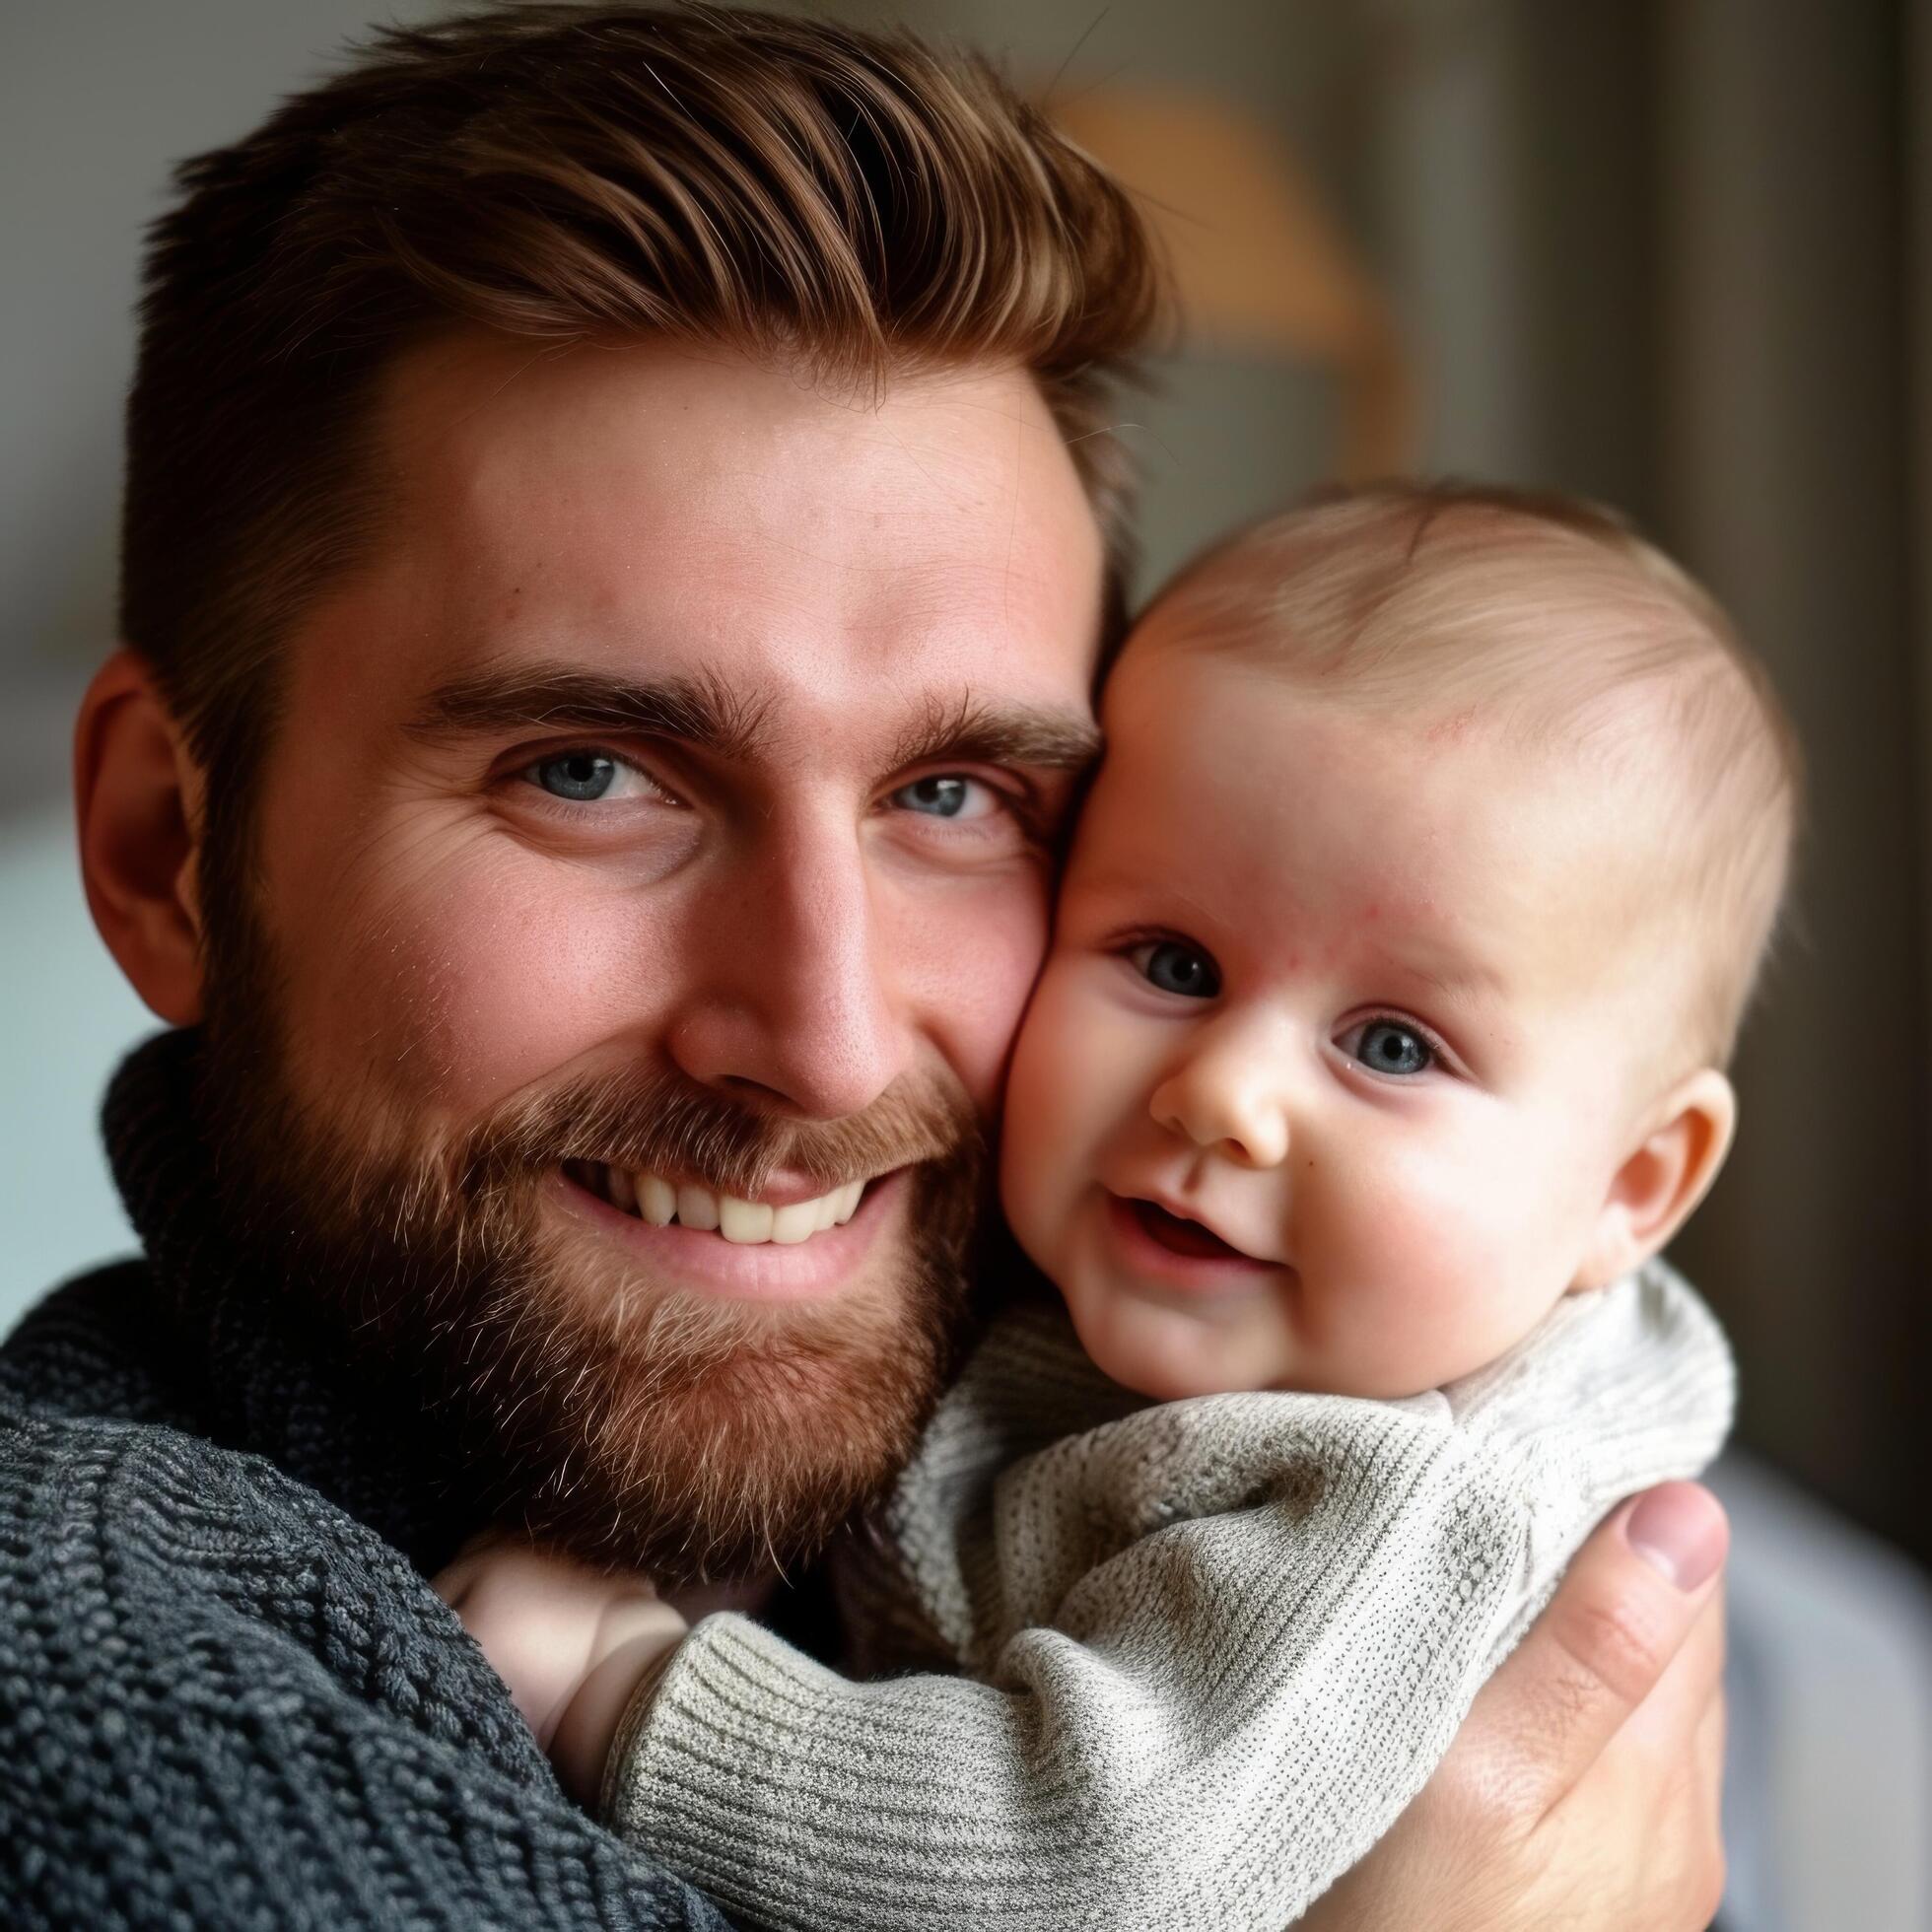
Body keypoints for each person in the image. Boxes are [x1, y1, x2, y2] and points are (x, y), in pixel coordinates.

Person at [0, 8, 1728, 1926]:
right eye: (589, 771)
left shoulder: (1182, 1409)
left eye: (953, 792)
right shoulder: (108, 1684)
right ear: (165, 846)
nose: (818, 1041)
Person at [446, 483, 1786, 1929]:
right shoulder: (1140, 1295)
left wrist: (627, 1690)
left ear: (1631, 1186)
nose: (1225, 1095)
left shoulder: (1383, 1501)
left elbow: (1086, 1855)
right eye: (1172, 962)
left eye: (1393, 1047)